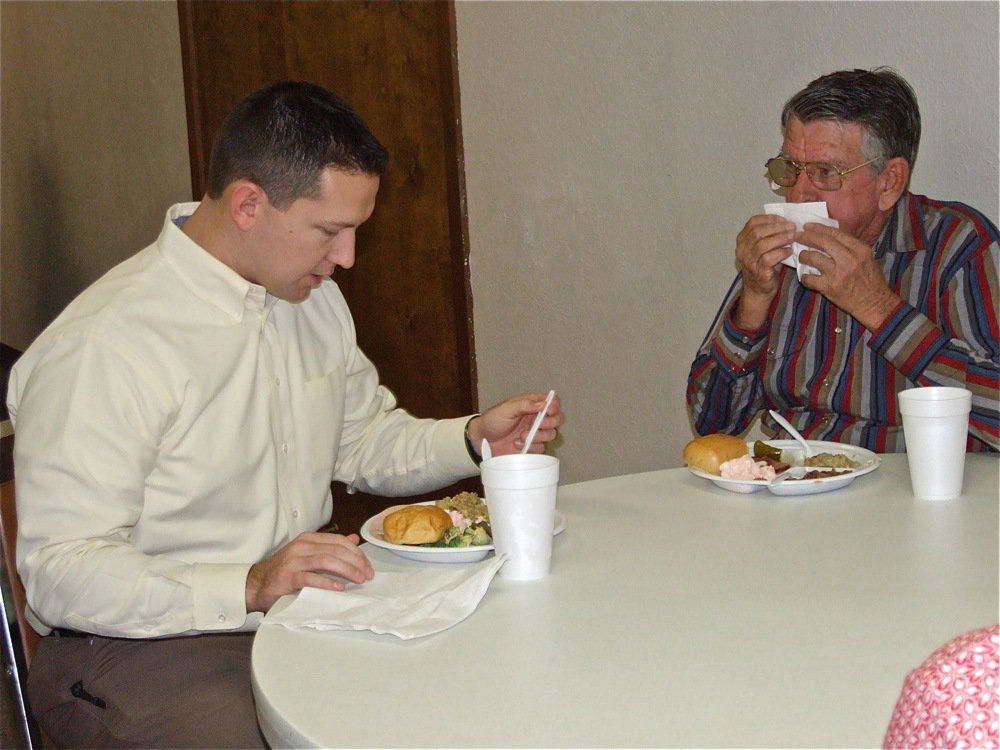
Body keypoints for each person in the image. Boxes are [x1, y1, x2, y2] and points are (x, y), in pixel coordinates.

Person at [6, 81, 564, 747]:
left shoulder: (310, 299)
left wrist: (472, 440)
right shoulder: (105, 346)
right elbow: (60, 572)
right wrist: (248, 584)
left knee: (483, 695)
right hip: (138, 648)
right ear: (248, 204)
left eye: (355, 231)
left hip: (301, 613)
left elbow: (361, 441)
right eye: (330, 232)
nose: (347, 258)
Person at [687, 68, 999, 453]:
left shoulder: (957, 246)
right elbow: (711, 424)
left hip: (907, 490)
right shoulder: (781, 252)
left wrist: (880, 309)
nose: (798, 194)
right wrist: (753, 301)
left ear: (889, 182)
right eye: (789, 169)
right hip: (790, 486)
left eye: (824, 173)